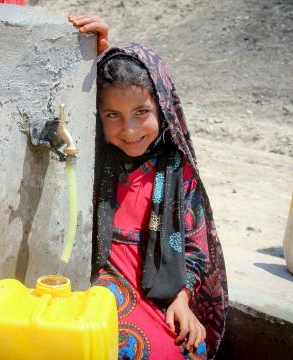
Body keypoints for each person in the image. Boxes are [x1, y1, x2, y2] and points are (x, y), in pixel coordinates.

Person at [69, 16, 228, 360]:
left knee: (190, 348)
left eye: (141, 111)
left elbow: (194, 249)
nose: (129, 130)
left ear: (164, 106)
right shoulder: (97, 161)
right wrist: (93, 54)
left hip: (162, 289)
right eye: (112, 115)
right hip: (104, 282)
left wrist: (182, 298)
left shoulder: (176, 170)